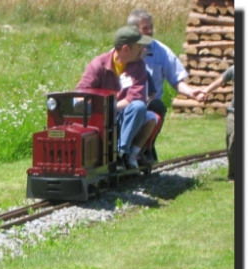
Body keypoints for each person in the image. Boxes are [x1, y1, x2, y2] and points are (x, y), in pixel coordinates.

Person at [127, 9, 205, 161]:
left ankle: (146, 147)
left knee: (156, 106)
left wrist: (191, 92)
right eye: (145, 28)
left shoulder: (162, 51)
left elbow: (176, 79)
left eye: (151, 27)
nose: (150, 31)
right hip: (127, 102)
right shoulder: (122, 51)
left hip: (150, 103)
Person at [77, 26, 158, 170]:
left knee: (145, 111)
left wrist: (110, 108)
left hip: (124, 113)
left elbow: (135, 98)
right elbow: (82, 91)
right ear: (126, 49)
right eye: (139, 47)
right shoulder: (98, 64)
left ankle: (122, 154)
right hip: (100, 117)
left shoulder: (139, 65)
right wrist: (94, 107)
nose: (142, 50)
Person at [201, 66, 235, 181]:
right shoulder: (234, 69)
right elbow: (219, 81)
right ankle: (233, 175)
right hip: (234, 112)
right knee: (232, 142)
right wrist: (205, 91)